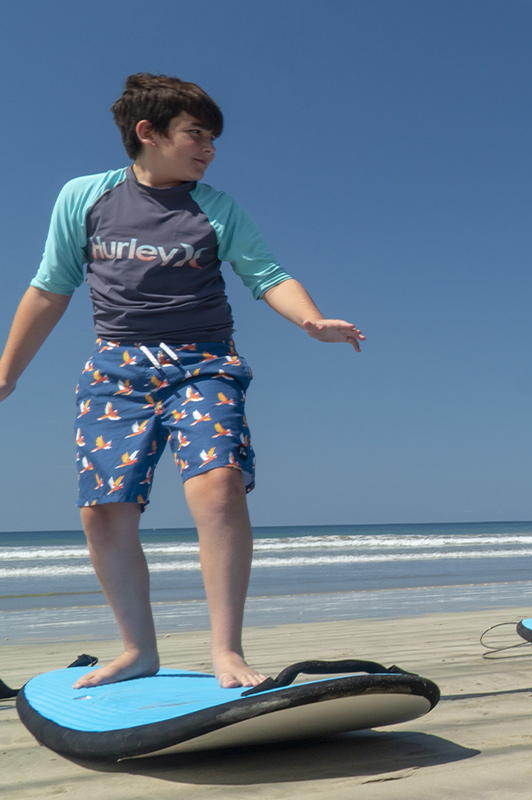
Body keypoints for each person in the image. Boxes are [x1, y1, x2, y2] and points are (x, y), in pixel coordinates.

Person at [0, 74, 364, 689]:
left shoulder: (217, 208)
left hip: (203, 362)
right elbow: (49, 288)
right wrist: (7, 372)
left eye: (213, 138)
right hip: (116, 365)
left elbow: (267, 274)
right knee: (104, 511)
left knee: (219, 486)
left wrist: (310, 318)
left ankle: (226, 650)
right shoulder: (85, 198)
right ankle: (138, 650)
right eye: (197, 135)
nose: (209, 149)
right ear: (148, 133)